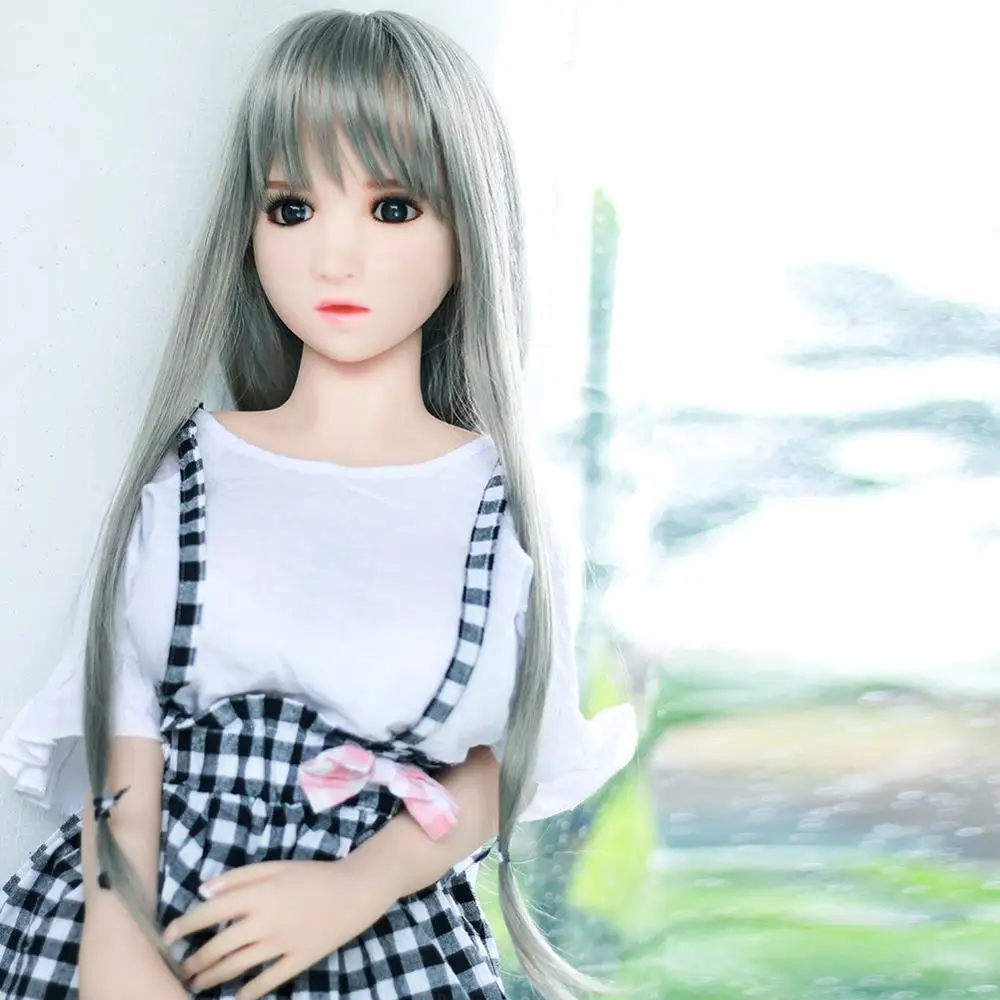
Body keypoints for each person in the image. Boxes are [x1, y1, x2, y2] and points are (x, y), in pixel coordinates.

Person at [0, 9, 637, 999]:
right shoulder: (187, 473)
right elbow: (124, 725)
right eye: (293, 209)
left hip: (380, 945)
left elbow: (503, 760)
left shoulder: (500, 510)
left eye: (393, 208)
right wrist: (119, 945)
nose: (335, 259)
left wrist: (360, 883)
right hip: (155, 920)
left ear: (469, 230)